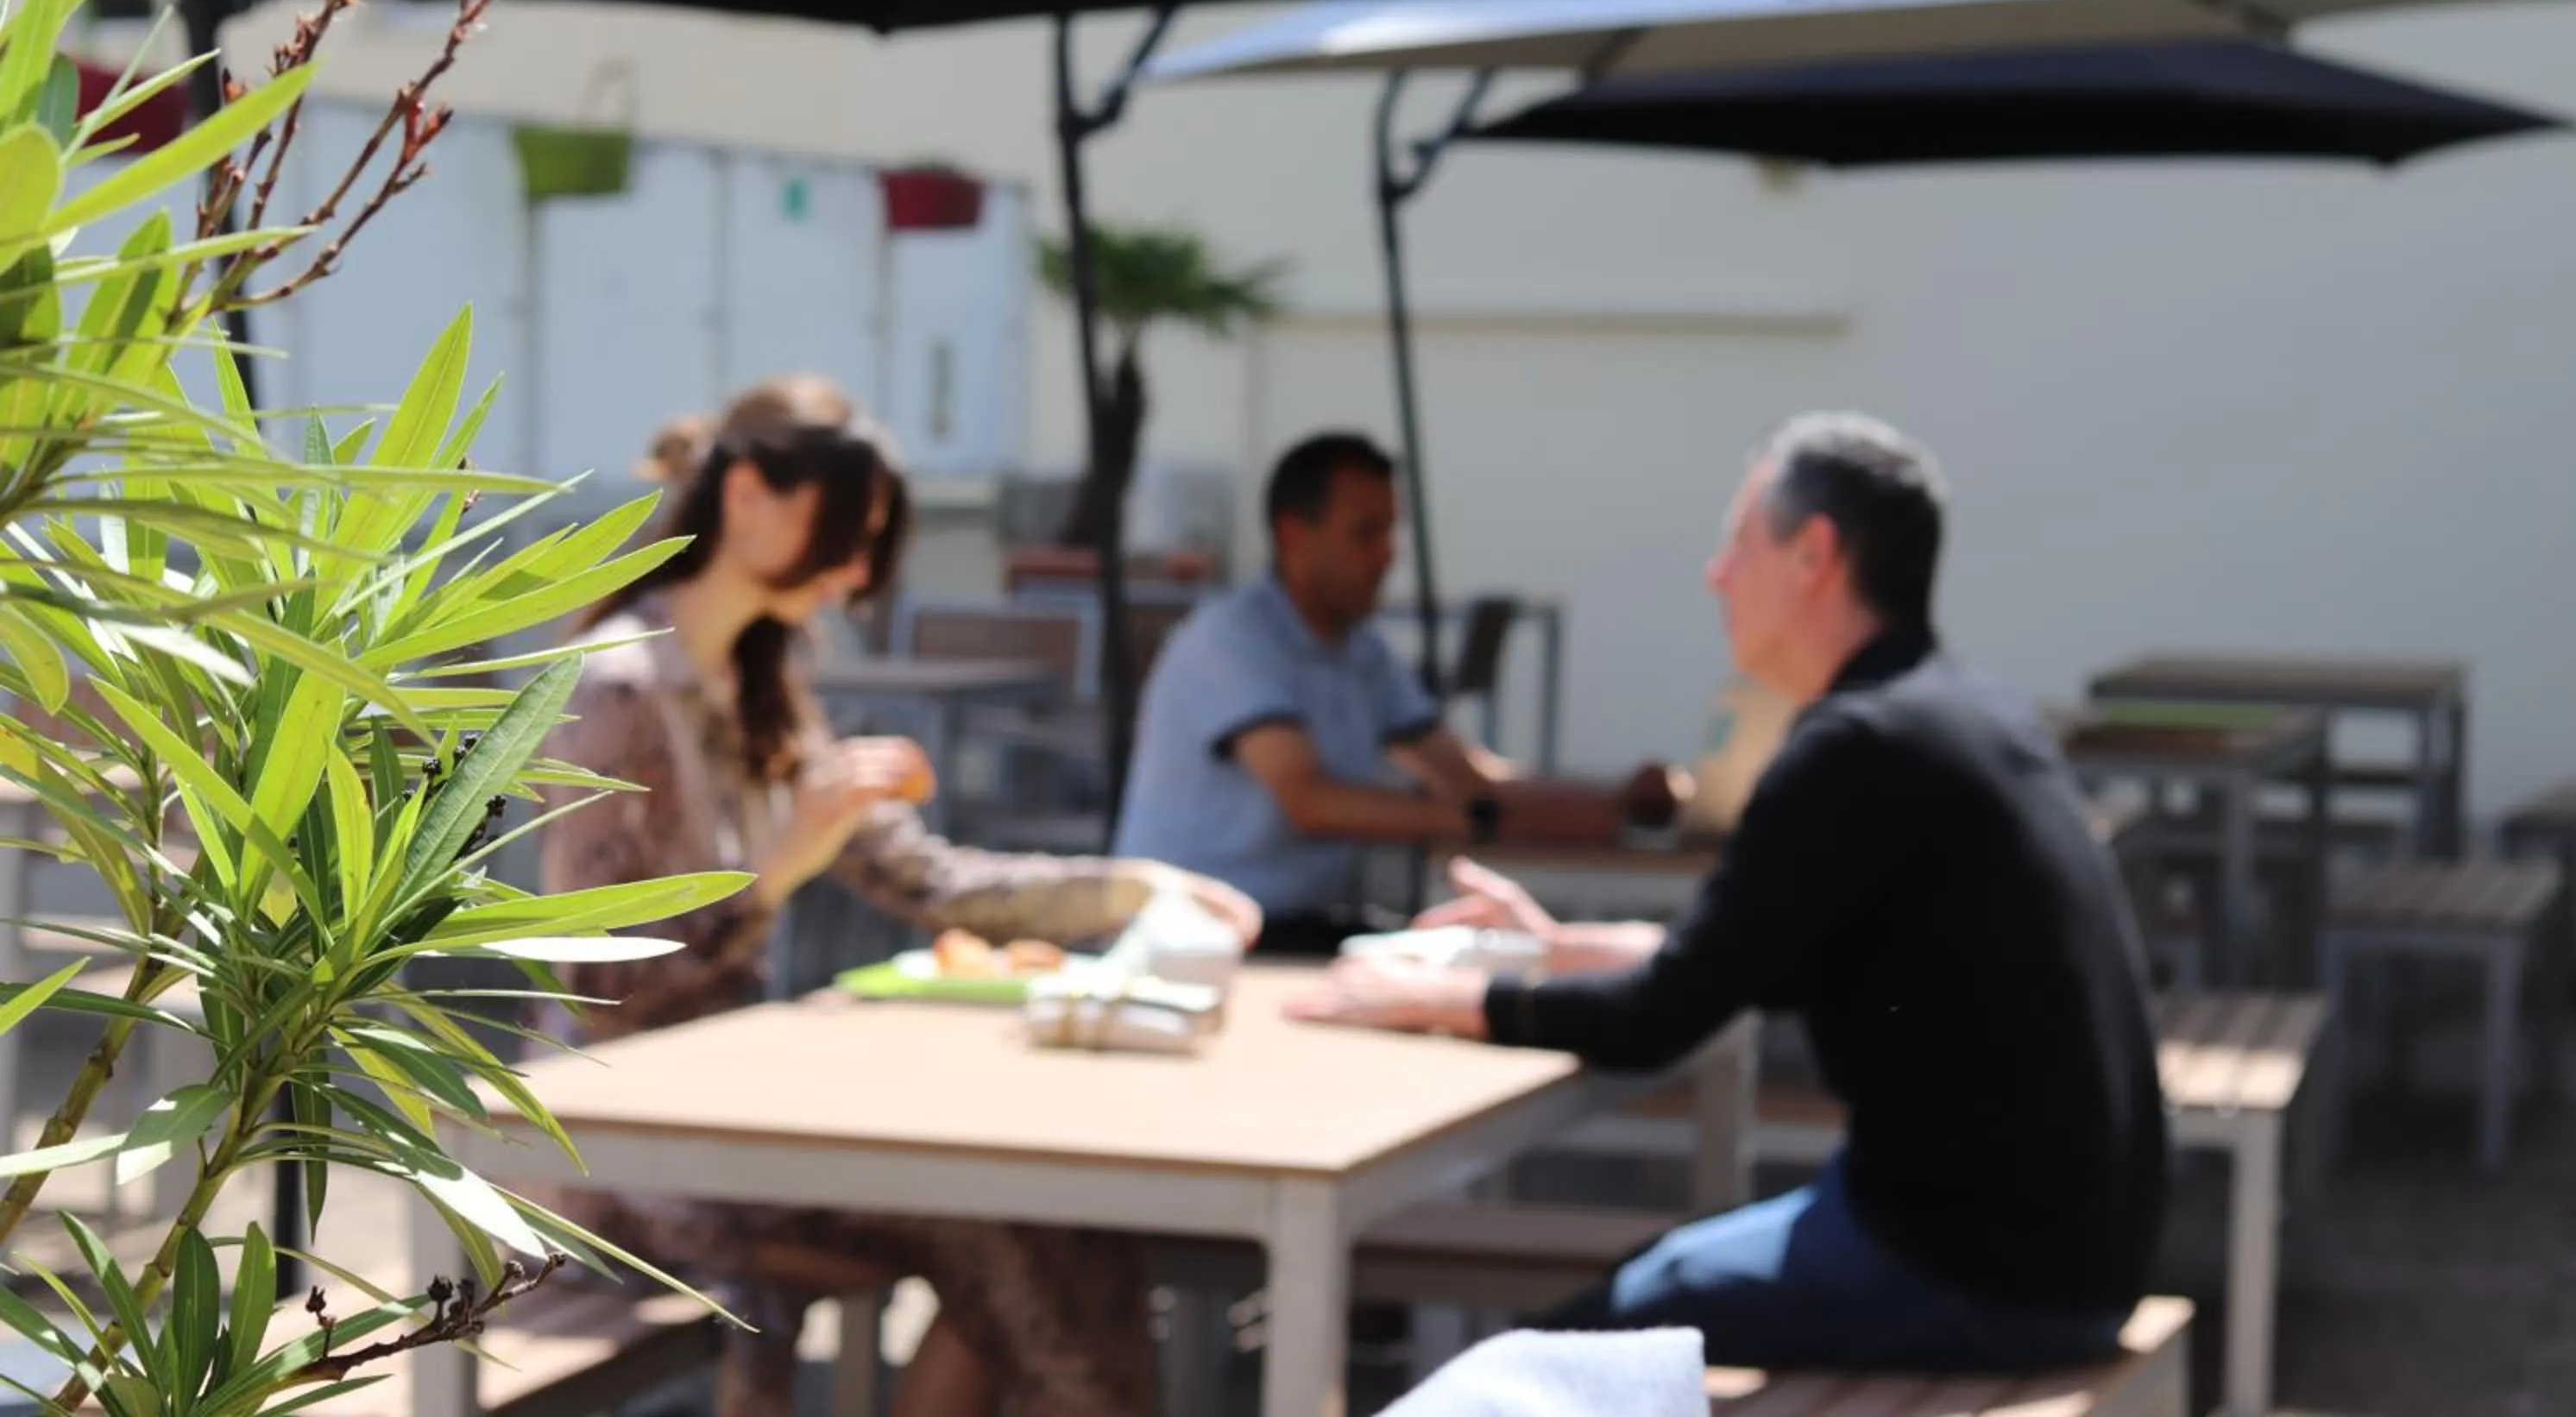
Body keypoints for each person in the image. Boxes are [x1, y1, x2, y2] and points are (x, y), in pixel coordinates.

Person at [1286, 413, 2169, 1373]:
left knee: (1549, 1368)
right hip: (2068, 1255)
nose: (1717, 573)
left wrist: (1434, 999)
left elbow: (1662, 1017)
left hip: (1972, 1272)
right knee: (1629, 1307)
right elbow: (1742, 952)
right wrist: (1555, 944)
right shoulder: (1966, 713)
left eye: (1739, 541)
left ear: (1814, 553)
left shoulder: (1855, 744)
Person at [528, 375, 1261, 1417]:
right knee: (1012, 1232)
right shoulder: (616, 687)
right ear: (746, 494)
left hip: (743, 1114)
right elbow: (598, 981)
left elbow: (927, 879)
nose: (857, 572)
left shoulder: (759, 680)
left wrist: (1130, 886)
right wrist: (777, 863)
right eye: (842, 532)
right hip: (634, 1151)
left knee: (1059, 1224)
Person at [1112, 430, 1680, 955]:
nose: (1389, 554)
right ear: (1293, 536)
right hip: (1191, 940)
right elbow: (1310, 801)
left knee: (1477, 964)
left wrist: (1610, 796)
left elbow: (1467, 775)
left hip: (1295, 928)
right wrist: (1492, 823)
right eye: (1366, 532)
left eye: (1390, 530)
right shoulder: (1229, 639)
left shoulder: (1361, 650)